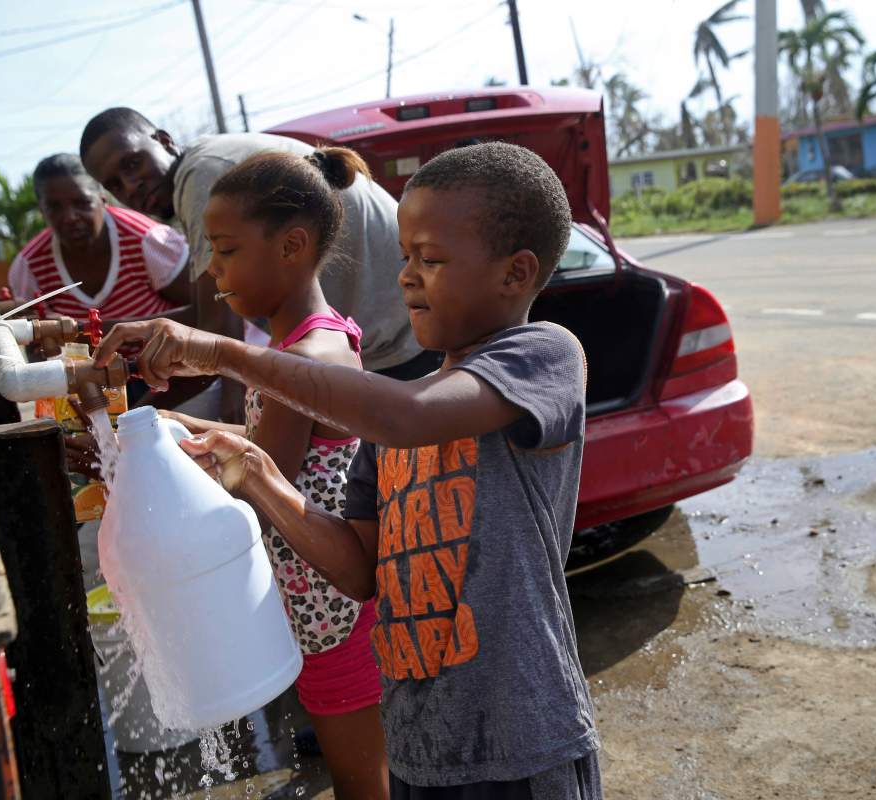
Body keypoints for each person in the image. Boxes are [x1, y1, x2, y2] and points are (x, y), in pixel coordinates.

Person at [95, 142, 602, 799]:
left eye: (432, 259)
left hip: (521, 746)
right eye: (406, 256)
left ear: (516, 273)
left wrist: (222, 353)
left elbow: (409, 416)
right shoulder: (388, 424)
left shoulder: (541, 356)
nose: (407, 277)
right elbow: (360, 570)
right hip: (421, 748)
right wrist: (254, 472)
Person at [160, 146, 388, 800]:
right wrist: (177, 433)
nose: (211, 268)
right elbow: (260, 445)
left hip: (331, 605)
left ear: (291, 246)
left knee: (360, 782)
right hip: (324, 592)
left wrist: (161, 466)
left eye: (226, 250)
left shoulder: (305, 363)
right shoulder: (306, 344)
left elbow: (259, 480)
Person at [78, 109, 428, 402]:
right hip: (397, 331)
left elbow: (218, 328)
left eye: (132, 164)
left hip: (402, 342)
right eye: (115, 185)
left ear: (164, 140)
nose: (130, 186)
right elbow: (209, 318)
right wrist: (90, 331)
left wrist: (134, 421)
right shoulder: (204, 165)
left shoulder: (202, 176)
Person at [9, 153, 190, 323]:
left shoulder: (147, 240)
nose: (70, 217)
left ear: (103, 200)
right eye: (54, 207)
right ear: (42, 212)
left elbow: (199, 312)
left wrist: (93, 332)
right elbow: (35, 343)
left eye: (82, 203)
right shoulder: (29, 267)